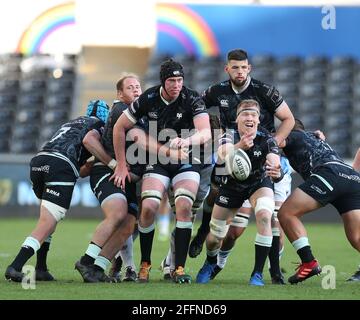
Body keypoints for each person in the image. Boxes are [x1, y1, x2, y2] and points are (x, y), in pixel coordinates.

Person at [190, 49, 295, 284]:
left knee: (268, 217)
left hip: (259, 165)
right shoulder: (218, 93)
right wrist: (204, 130)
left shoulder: (264, 91)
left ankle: (265, 272)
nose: (240, 71)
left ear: (249, 68)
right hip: (232, 158)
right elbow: (195, 106)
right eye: (235, 67)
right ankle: (205, 239)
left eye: (243, 67)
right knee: (218, 214)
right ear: (227, 69)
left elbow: (288, 119)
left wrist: (272, 148)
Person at [112, 59, 211, 283]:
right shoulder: (148, 98)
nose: (176, 85)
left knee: (185, 206)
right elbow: (120, 127)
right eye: (171, 81)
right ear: (162, 82)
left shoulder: (192, 97)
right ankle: (145, 265)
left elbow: (205, 132)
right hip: (157, 161)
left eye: (179, 80)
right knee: (148, 207)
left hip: (186, 158)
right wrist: (120, 164)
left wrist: (188, 141)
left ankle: (178, 268)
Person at [5, 100, 111, 282]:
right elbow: (88, 141)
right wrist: (111, 162)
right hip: (60, 165)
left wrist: (93, 163)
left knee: (48, 219)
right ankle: (15, 266)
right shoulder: (99, 125)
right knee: (48, 221)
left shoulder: (72, 122)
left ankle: (40, 268)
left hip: (39, 162)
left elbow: (81, 169)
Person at [196, 99, 282, 285]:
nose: (249, 117)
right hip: (231, 186)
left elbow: (274, 158)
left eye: (253, 115)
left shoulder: (266, 139)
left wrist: (276, 169)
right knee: (215, 237)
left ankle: (257, 273)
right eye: (245, 114)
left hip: (258, 184)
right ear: (237, 118)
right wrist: (238, 147)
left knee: (265, 216)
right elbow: (222, 153)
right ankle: (210, 262)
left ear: (259, 120)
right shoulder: (229, 135)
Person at [278, 119, 360, 284]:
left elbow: (275, 142)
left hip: (329, 173)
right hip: (352, 177)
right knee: (357, 237)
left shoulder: (294, 135)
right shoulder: (313, 138)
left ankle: (309, 262)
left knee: (286, 214)